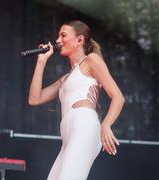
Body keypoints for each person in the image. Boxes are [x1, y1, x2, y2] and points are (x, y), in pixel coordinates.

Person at [28, 20, 125, 180]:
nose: (58, 40)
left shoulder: (91, 60)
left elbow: (118, 97)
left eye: (63, 35)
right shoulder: (65, 79)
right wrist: (41, 61)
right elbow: (34, 99)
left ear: (79, 40)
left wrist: (106, 125)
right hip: (67, 137)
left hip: (84, 125)